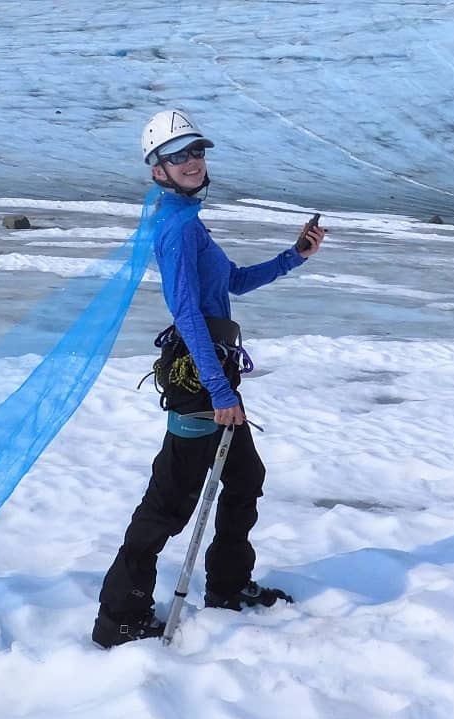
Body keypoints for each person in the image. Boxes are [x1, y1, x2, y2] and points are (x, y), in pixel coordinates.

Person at [92, 109, 326, 648]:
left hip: (214, 373)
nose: (192, 161)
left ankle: (226, 587)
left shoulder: (187, 220)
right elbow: (189, 314)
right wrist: (219, 392)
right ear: (157, 171)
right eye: (177, 156)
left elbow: (233, 283)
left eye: (196, 151)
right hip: (200, 381)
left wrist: (295, 257)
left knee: (244, 480)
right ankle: (118, 618)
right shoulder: (174, 229)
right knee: (168, 504)